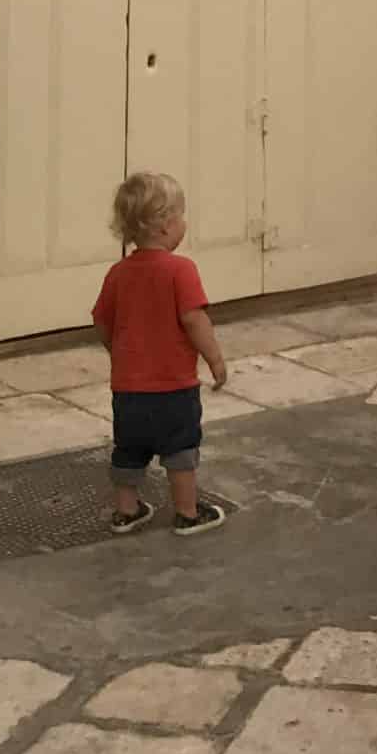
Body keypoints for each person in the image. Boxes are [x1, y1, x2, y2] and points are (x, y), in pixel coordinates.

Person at [91, 170, 229, 536]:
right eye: (181, 216)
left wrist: (118, 352)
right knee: (180, 451)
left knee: (128, 449)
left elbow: (101, 320)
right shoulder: (181, 270)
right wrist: (215, 359)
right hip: (174, 389)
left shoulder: (118, 273)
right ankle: (186, 512)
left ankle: (127, 511)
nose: (184, 223)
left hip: (128, 391)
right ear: (167, 225)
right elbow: (194, 319)